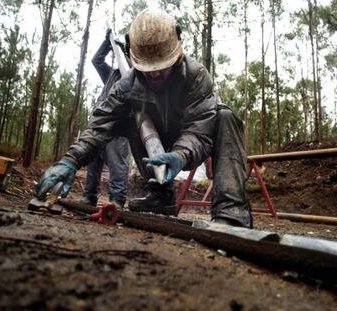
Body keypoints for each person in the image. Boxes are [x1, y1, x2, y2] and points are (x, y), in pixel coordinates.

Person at [36, 9, 252, 228]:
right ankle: (160, 194)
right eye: (149, 68)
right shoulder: (127, 85)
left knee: (225, 115)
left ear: (176, 52)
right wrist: (70, 160)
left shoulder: (196, 76)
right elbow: (100, 124)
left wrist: (179, 155)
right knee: (130, 116)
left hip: (190, 146)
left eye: (161, 66)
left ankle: (231, 212)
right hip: (152, 152)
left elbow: (199, 130)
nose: (155, 73)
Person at [80, 30, 129, 208]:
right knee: (93, 159)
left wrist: (123, 50)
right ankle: (89, 195)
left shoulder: (134, 74)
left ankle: (117, 200)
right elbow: (96, 60)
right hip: (100, 123)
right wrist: (107, 42)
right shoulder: (111, 74)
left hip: (119, 126)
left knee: (117, 164)